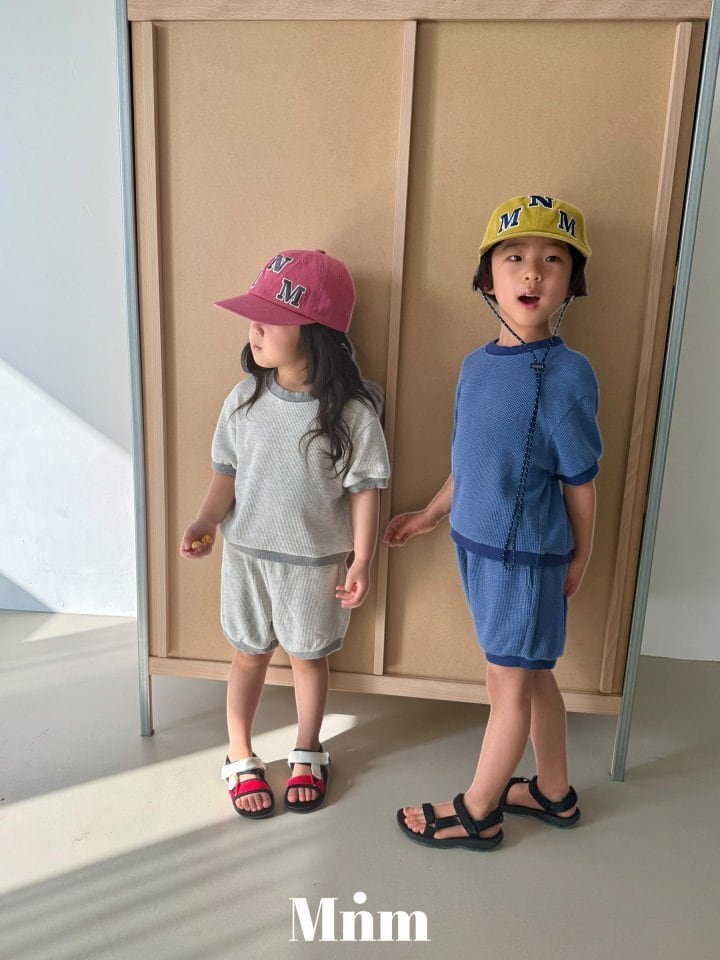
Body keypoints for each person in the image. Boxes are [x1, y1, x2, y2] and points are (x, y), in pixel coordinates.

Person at [386, 195, 602, 850]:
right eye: (515, 258)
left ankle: (478, 812)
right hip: (476, 548)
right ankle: (554, 792)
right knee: (527, 674)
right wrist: (432, 512)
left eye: (552, 260)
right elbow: (473, 462)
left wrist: (581, 555)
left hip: (525, 559)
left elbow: (580, 478)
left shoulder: (568, 374)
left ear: (571, 283)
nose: (532, 272)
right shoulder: (475, 366)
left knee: (507, 686)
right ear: (488, 279)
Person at [181, 249, 390, 818]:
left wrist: (362, 559)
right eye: (253, 317)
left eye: (269, 320)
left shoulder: (351, 415)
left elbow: (365, 491)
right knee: (247, 654)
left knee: (307, 658)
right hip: (246, 557)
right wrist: (205, 520)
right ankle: (239, 751)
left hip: (314, 565)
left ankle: (308, 748)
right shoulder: (243, 400)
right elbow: (226, 473)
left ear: (315, 333)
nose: (254, 330)